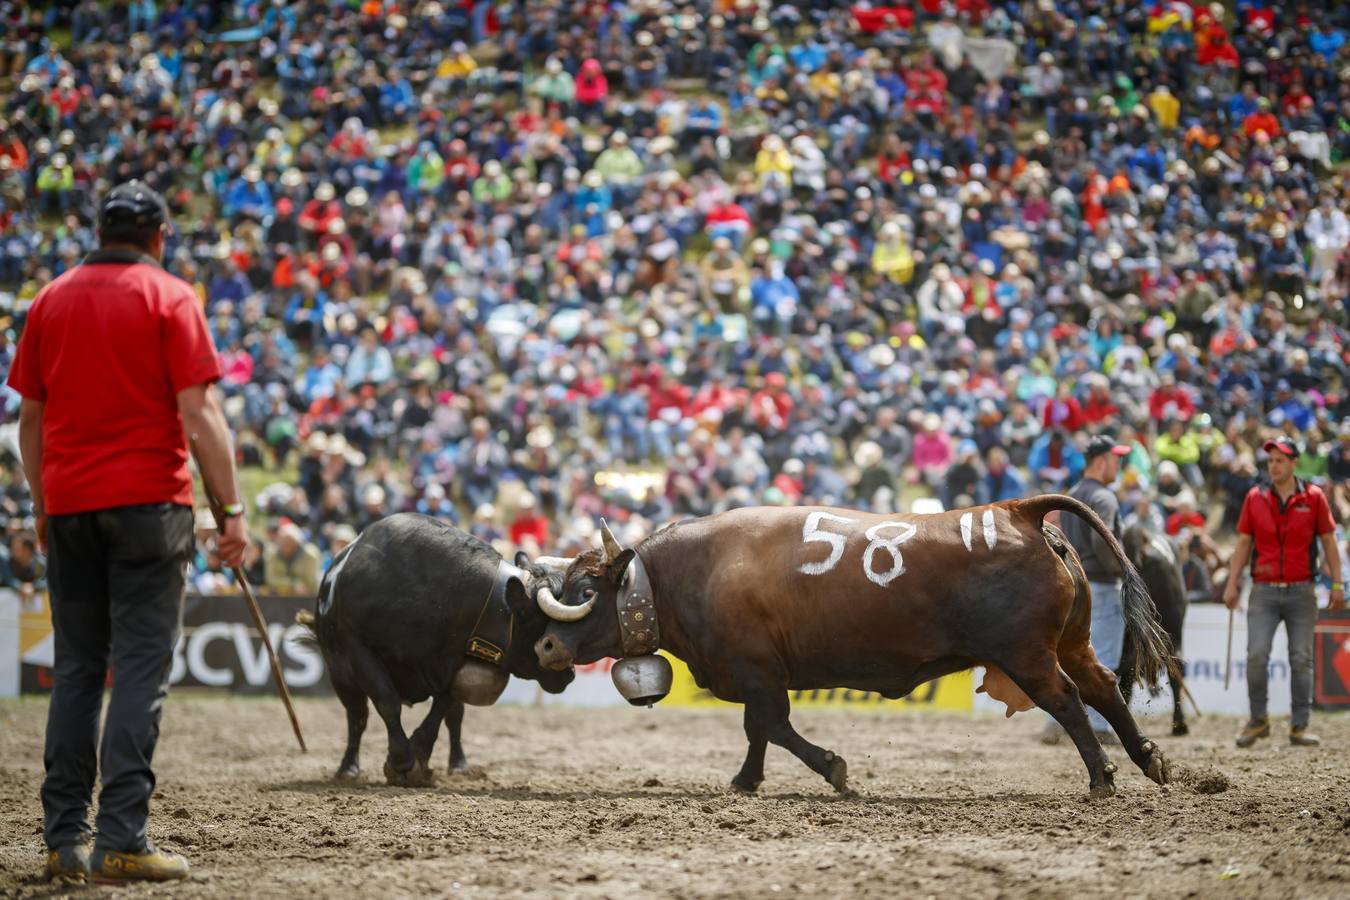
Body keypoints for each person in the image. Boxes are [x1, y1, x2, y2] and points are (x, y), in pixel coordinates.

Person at [7, 181, 250, 883]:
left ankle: (63, 842)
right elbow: (200, 416)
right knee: (141, 668)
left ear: (99, 230)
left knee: (78, 670)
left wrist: (45, 504)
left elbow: (30, 420)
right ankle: (122, 838)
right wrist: (231, 515)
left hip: (73, 508)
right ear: (159, 237)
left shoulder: (49, 300)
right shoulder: (171, 296)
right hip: (149, 507)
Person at [1223, 438, 1343, 749]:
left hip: (1302, 590)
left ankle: (1299, 726)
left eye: (1279, 460)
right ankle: (1258, 720)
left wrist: (1339, 584)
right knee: (1256, 655)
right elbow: (1243, 544)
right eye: (1270, 460)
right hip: (1263, 590)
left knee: (1301, 658)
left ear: (1293, 463)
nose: (1273, 465)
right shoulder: (1254, 497)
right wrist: (1232, 582)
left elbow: (1329, 542)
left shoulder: (1314, 497)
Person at [1043, 434, 1129, 745]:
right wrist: (1124, 571)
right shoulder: (1105, 497)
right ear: (1101, 461)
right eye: (1116, 460)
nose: (1118, 465)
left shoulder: (1074, 494)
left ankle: (1055, 722)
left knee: (1062, 657)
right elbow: (1102, 545)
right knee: (1102, 658)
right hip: (1102, 585)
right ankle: (1099, 727)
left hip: (1074, 582)